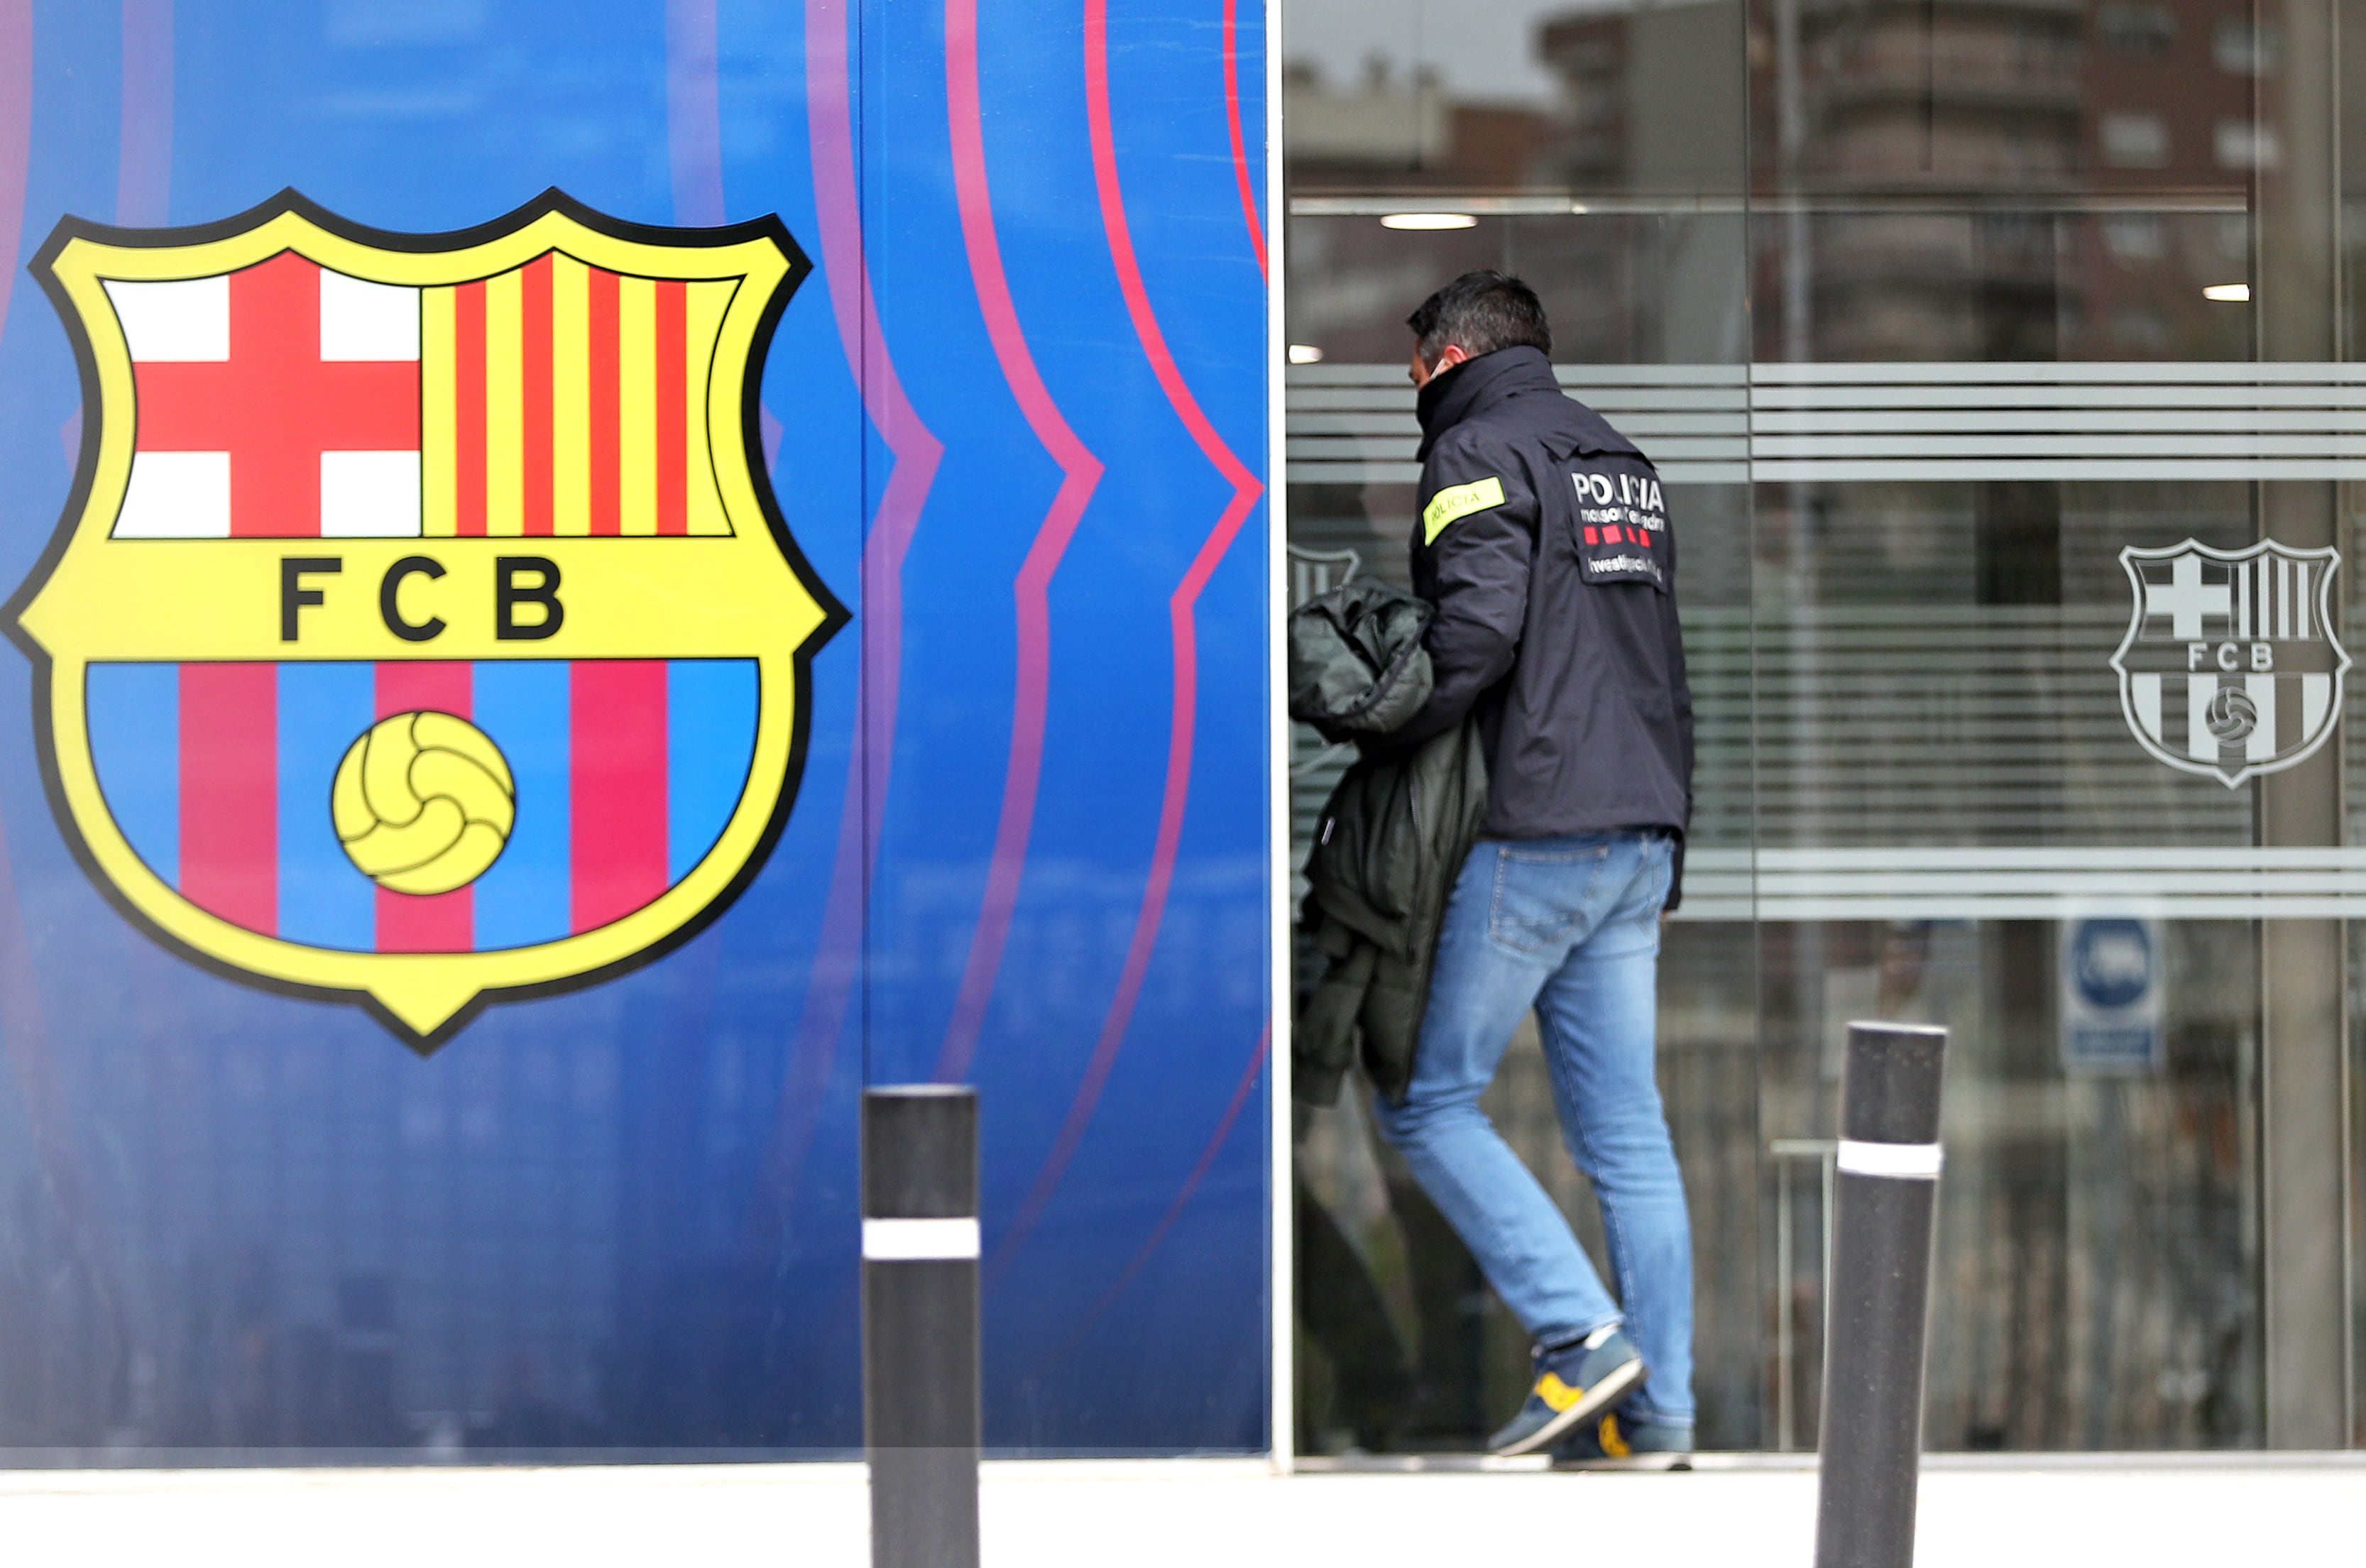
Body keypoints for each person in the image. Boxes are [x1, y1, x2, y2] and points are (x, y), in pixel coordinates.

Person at [1369, 270, 1697, 1466]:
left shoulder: (1475, 456)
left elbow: (1474, 633)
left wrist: (1377, 718)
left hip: (1536, 828)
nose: (1410, 388)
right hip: (1636, 829)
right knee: (1627, 1132)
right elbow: (1652, 653)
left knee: (1424, 1096)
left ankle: (1577, 1338)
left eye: (1412, 369)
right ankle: (1659, 1416)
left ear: (1451, 359)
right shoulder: (1624, 465)